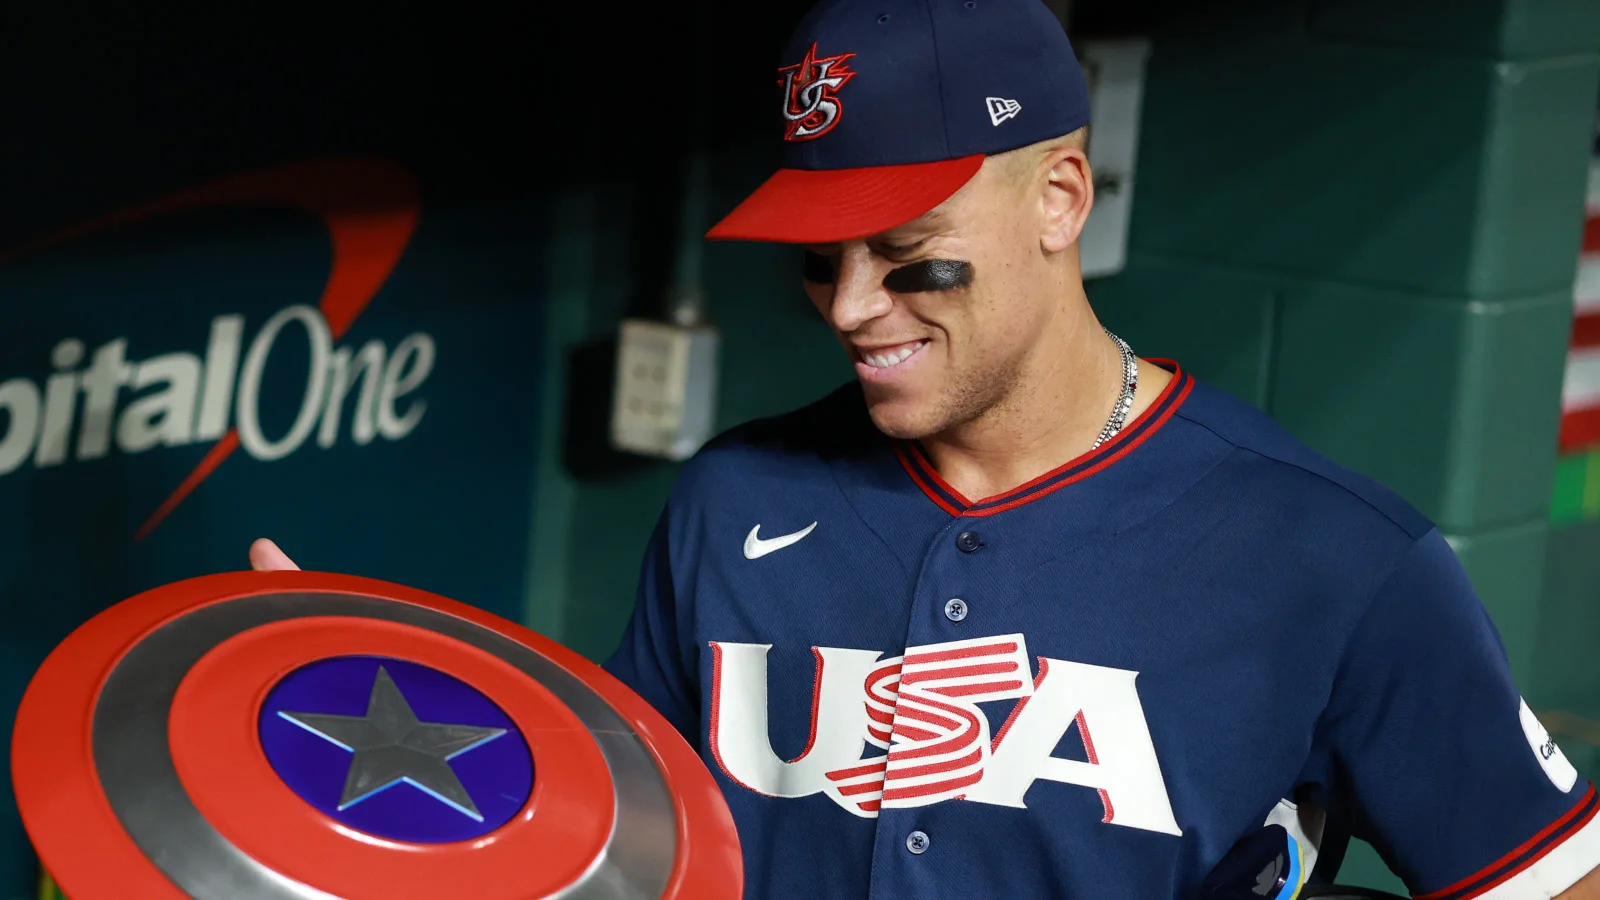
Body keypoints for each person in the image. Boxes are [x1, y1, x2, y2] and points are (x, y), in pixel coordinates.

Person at [254, 0, 1600, 896]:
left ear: (1059, 198)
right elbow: (610, 840)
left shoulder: (1338, 561)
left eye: (910, 257)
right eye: (819, 260)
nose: (851, 309)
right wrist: (366, 707)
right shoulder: (733, 499)